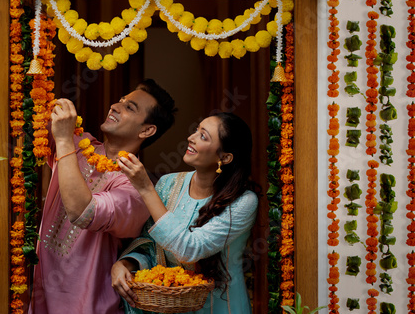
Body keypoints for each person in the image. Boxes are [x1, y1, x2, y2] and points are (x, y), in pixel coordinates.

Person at [28, 79, 177, 314]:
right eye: (121, 101)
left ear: (146, 130)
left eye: (130, 108)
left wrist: (64, 140)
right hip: (38, 298)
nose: (115, 106)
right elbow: (27, 114)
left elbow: (82, 212)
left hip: (88, 305)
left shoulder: (136, 189)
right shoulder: (80, 143)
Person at [111, 112, 258, 314]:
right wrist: (124, 264)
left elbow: (190, 250)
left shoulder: (243, 201)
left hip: (221, 307)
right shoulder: (168, 183)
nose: (191, 137)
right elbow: (149, 245)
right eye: (196, 130)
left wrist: (145, 189)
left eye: (203, 136)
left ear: (224, 157)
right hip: (171, 308)